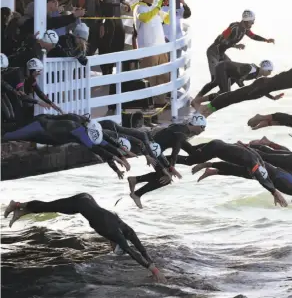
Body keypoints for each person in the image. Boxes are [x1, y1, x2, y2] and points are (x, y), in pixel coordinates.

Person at [3, 193, 167, 283]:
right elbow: (132, 250)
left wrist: (151, 265)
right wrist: (153, 269)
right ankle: (17, 205)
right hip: (80, 204)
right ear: (116, 244)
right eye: (113, 248)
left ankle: (22, 210)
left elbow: (139, 246)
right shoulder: (115, 234)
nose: (110, 248)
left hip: (86, 200)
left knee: (50, 206)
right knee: (49, 206)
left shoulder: (124, 229)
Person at [192, 160, 292, 234]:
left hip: (270, 170)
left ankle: (213, 170)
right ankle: (211, 166)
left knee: (241, 172)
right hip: (266, 171)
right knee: (239, 169)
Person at [194, 65, 292, 119]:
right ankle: (206, 108)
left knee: (235, 99)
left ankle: (209, 109)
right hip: (262, 85)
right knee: (234, 96)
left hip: (263, 90)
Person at [2, 114, 129, 178]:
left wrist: (117, 166)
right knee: (8, 135)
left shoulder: (89, 131)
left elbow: (104, 145)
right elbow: (95, 149)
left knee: (10, 133)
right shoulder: (78, 130)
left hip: (45, 135)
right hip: (39, 126)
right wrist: (116, 157)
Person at [169, 139, 288, 207]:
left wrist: (210, 168)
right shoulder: (253, 164)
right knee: (189, 161)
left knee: (192, 151)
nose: (253, 175)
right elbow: (261, 179)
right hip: (214, 149)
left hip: (217, 145)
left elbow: (235, 170)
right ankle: (164, 157)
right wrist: (274, 192)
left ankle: (173, 140)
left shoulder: (256, 160)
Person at [126, 114, 207, 208]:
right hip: (154, 152)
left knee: (164, 175)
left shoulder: (181, 128)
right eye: (202, 127)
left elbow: (190, 150)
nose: (203, 130)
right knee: (166, 179)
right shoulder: (181, 134)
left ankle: (135, 180)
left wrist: (210, 146)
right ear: (196, 125)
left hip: (154, 148)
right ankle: (136, 193)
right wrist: (171, 169)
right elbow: (175, 153)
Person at [206, 10, 274, 80]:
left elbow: (253, 36)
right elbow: (220, 39)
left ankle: (226, 90)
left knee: (231, 73)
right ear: (246, 21)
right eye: (252, 21)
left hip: (221, 54)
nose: (253, 23)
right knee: (215, 78)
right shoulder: (234, 26)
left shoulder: (245, 30)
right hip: (213, 52)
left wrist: (266, 40)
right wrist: (235, 45)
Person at [132, 0, 171, 107]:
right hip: (148, 49)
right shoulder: (139, 7)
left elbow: (168, 19)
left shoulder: (154, 8)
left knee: (163, 77)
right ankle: (149, 103)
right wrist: (158, 7)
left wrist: (170, 5)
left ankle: (160, 101)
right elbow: (145, 18)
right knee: (150, 78)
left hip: (161, 48)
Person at [192, 60, 274, 104]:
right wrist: (245, 90)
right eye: (269, 70)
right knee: (225, 92)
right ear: (264, 68)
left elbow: (258, 87)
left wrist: (272, 97)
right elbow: (240, 80)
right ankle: (198, 100)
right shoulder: (251, 69)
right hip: (223, 67)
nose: (270, 73)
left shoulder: (255, 73)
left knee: (220, 88)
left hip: (227, 72)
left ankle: (198, 99)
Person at [99, 0, 130, 75]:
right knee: (106, 47)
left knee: (118, 46)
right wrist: (101, 24)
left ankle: (111, 67)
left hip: (118, 24)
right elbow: (101, 10)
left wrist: (126, 6)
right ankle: (105, 70)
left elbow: (125, 3)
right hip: (107, 23)